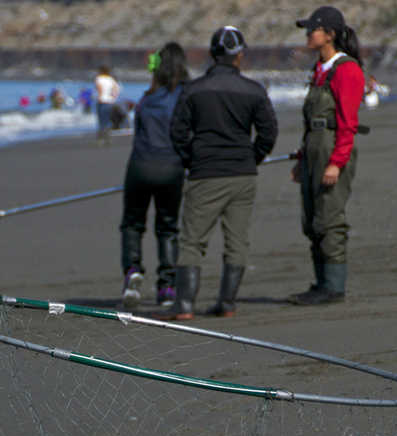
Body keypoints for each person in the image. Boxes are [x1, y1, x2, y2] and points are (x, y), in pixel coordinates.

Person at [167, 26, 278, 319]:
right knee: (237, 241)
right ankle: (227, 303)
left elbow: (177, 132)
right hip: (242, 174)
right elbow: (268, 132)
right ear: (239, 56)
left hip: (206, 172)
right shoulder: (254, 90)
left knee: (192, 241)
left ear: (213, 55)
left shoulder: (194, 90)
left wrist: (192, 159)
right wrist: (253, 157)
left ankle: (185, 305)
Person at [289, 6, 365, 305]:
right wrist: (301, 158)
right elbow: (310, 121)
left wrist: (336, 162)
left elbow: (348, 123)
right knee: (311, 218)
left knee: (329, 218)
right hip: (313, 147)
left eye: (313, 30)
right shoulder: (319, 70)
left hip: (332, 146)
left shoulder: (347, 69)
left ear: (330, 34)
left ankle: (333, 287)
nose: (308, 35)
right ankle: (320, 283)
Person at [119, 42, 190, 309]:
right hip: (171, 167)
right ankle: (167, 285)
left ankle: (132, 271)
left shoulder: (148, 97)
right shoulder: (185, 95)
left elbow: (139, 134)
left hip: (140, 165)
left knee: (133, 223)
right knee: (168, 226)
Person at [94, 65, 121, 144]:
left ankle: (101, 138)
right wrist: (113, 97)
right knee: (108, 120)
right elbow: (116, 88)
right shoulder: (111, 79)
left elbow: (99, 88)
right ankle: (107, 137)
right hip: (110, 102)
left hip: (102, 101)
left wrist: (100, 96)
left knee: (101, 120)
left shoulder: (99, 78)